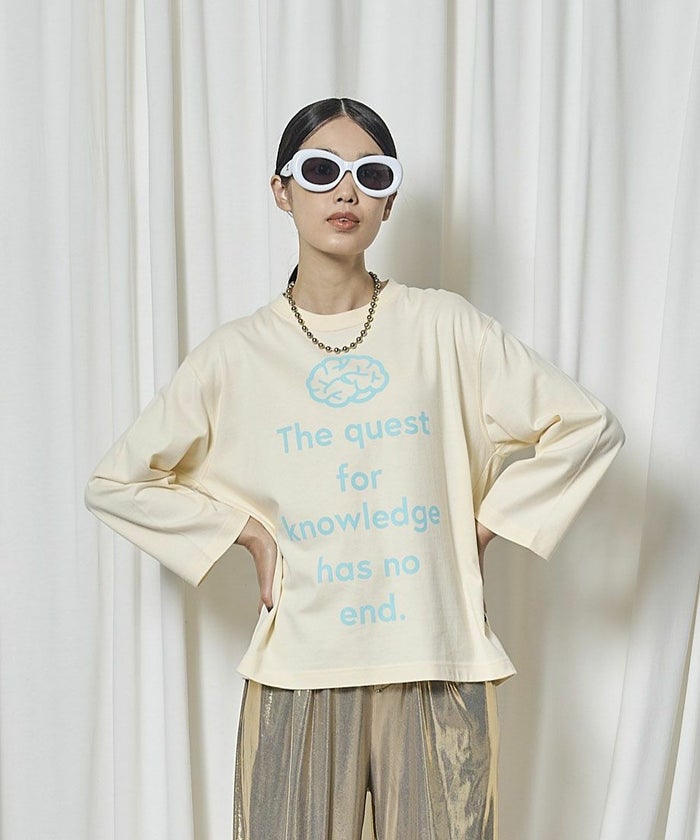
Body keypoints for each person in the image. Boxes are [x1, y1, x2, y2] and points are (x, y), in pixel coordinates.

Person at [85, 97, 624, 840]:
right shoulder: (235, 355)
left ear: (390, 200)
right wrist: (247, 534)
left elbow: (586, 427)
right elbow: (118, 483)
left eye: (371, 175)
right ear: (282, 191)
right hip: (300, 666)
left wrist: (482, 528)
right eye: (320, 171)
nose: (346, 192)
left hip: (436, 659)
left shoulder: (444, 326)